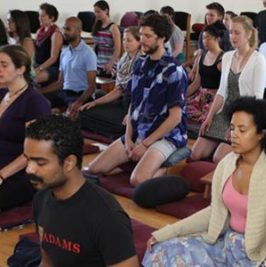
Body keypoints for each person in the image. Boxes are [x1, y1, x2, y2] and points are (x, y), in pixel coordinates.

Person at [143, 97, 266, 266]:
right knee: (162, 251)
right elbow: (215, 212)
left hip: (258, 257)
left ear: (262, 134)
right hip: (225, 245)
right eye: (232, 128)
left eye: (242, 130)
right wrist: (168, 232)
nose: (233, 135)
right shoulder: (227, 163)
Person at [86, 14, 189, 187]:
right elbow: (134, 105)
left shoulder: (174, 71)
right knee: (94, 169)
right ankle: (133, 163)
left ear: (162, 38)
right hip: (138, 131)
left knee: (138, 180)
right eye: (141, 35)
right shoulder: (140, 64)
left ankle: (168, 169)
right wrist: (127, 138)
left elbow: (175, 118)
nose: (142, 40)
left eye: (148, 36)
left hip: (166, 136)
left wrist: (146, 144)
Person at [26, 115, 138, 266]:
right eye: (28, 160)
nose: (29, 169)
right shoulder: (42, 198)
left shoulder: (108, 218)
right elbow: (47, 263)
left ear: (69, 163)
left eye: (40, 163)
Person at [0, 45, 50, 213]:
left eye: (4, 65)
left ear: (21, 69)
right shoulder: (0, 94)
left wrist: (0, 176)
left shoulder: (35, 102)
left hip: (18, 173)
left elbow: (34, 151)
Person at [191, 16, 266, 163]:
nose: (232, 36)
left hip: (243, 117)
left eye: (237, 33)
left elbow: (257, 99)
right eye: (231, 32)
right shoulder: (227, 57)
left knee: (218, 158)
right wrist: (209, 117)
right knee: (195, 154)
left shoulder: (258, 59)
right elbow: (221, 92)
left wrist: (238, 125)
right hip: (224, 113)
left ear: (249, 34)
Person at [79, 26, 142, 140]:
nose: (125, 43)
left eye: (129, 40)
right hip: (122, 101)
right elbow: (118, 91)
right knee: (89, 105)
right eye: (123, 39)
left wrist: (130, 114)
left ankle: (123, 131)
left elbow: (140, 96)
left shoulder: (142, 62)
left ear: (139, 42)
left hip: (133, 107)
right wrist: (95, 103)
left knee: (85, 115)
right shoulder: (124, 59)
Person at [40, 17, 96, 118]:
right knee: (38, 101)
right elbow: (59, 83)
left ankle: (58, 113)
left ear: (79, 31)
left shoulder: (88, 53)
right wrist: (39, 92)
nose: (64, 32)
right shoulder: (64, 52)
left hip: (80, 95)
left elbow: (91, 86)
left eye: (68, 29)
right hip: (65, 93)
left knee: (70, 113)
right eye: (64, 28)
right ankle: (55, 112)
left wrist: (78, 102)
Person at [185, 23, 225, 124]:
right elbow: (196, 83)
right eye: (203, 38)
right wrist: (181, 95)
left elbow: (224, 87)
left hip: (215, 98)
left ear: (217, 39)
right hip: (200, 96)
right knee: (181, 109)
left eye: (208, 38)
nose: (205, 41)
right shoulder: (201, 56)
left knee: (205, 118)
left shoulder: (223, 59)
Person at [34, 3, 63, 87]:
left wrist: (39, 69)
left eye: (43, 16)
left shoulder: (56, 34)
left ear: (52, 18)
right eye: (39, 15)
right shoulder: (39, 31)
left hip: (52, 67)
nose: (39, 18)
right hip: (39, 65)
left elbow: (53, 58)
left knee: (32, 79)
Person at [91, 0, 121, 78]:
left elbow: (118, 49)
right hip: (98, 61)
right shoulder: (97, 25)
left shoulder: (113, 27)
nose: (96, 14)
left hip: (110, 62)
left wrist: (110, 64)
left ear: (106, 11)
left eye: (98, 12)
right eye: (95, 12)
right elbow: (95, 45)